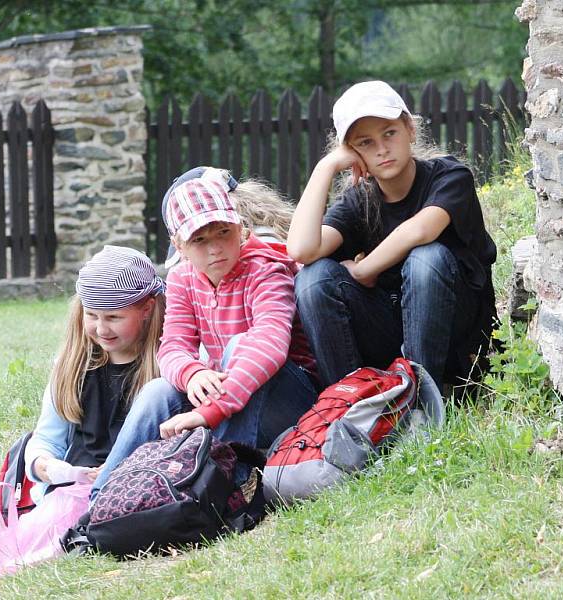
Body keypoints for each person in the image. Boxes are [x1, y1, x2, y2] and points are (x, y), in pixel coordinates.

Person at [287, 80, 498, 394]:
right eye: (365, 143)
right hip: (393, 330)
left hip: (455, 338)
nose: (382, 149)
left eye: (389, 133)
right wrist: (326, 166)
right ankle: (350, 404)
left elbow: (419, 229)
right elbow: (302, 250)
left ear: (410, 129)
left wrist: (363, 269)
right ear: (353, 152)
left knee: (427, 257)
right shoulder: (361, 201)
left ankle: (425, 400)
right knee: (313, 279)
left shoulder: (450, 176)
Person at [140, 167, 318, 451]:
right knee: (157, 390)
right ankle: (108, 482)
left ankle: (231, 475)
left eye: (223, 232)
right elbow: (173, 346)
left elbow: (269, 345)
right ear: (179, 246)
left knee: (241, 346)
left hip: (291, 399)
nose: (215, 248)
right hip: (226, 396)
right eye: (199, 239)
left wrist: (208, 412)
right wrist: (192, 373)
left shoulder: (267, 268)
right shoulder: (181, 277)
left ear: (240, 228)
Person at [24, 245, 166, 502]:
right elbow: (47, 438)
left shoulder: (165, 369)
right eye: (92, 315)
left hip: (137, 490)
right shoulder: (72, 367)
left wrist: (116, 470)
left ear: (147, 309)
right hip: (69, 493)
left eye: (113, 317)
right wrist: (42, 465)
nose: (101, 329)